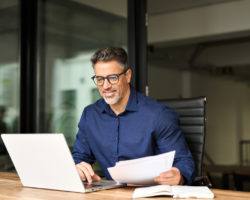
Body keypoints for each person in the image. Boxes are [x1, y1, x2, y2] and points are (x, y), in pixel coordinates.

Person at [72, 46, 195, 185]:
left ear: (128, 76)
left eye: (112, 78)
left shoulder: (158, 115)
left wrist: (179, 175)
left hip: (151, 194)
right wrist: (78, 168)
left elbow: (184, 162)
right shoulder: (90, 115)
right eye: (100, 79)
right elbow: (80, 157)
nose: (105, 86)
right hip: (111, 194)